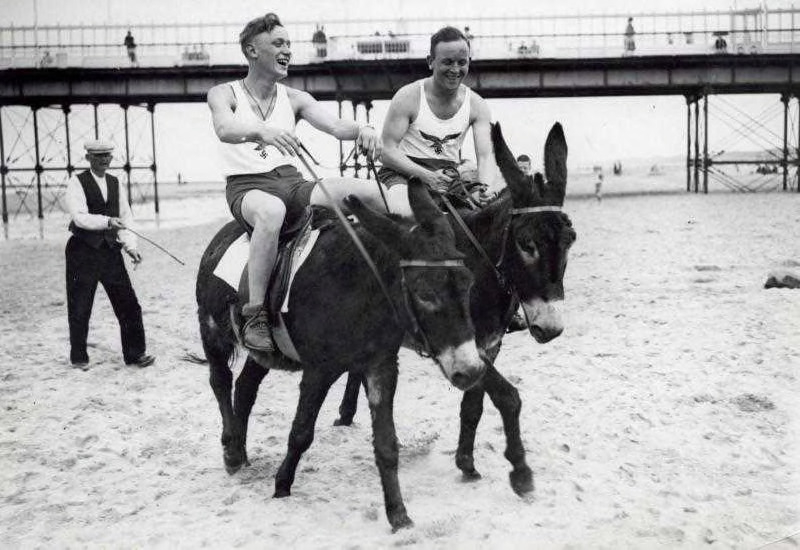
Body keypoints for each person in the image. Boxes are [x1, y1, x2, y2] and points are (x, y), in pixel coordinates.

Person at [207, 12, 385, 352]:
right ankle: (255, 313)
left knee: (372, 193)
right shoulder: (223, 93)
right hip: (248, 188)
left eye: (289, 43)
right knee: (271, 212)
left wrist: (364, 129)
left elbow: (335, 126)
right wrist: (262, 130)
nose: (287, 50)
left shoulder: (294, 98)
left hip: (294, 184)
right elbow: (225, 129)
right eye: (278, 43)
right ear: (251, 50)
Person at [378, 26, 494, 217]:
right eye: (447, 62)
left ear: (469, 62)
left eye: (461, 62)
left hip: (447, 176)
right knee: (406, 214)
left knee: (486, 216)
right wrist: (426, 176)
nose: (455, 70)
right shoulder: (408, 96)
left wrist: (486, 188)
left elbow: (485, 157)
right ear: (430, 62)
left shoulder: (477, 104)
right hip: (404, 174)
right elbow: (386, 151)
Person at [64, 139, 155, 370]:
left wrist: (130, 246)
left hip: (110, 252)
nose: (105, 159)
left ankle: (135, 354)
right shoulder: (77, 182)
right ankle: (79, 358)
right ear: (88, 158)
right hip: (82, 251)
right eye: (99, 155)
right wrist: (106, 221)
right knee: (80, 305)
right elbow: (79, 217)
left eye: (108, 155)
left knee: (129, 304)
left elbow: (125, 217)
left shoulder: (115, 183)